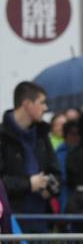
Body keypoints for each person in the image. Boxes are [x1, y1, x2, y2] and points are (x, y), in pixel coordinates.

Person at [0, 82, 59, 224]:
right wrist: (29, 184)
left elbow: (56, 171)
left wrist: (50, 187)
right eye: (42, 102)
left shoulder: (42, 135)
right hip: (12, 222)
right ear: (27, 104)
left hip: (41, 220)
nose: (45, 108)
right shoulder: (2, 137)